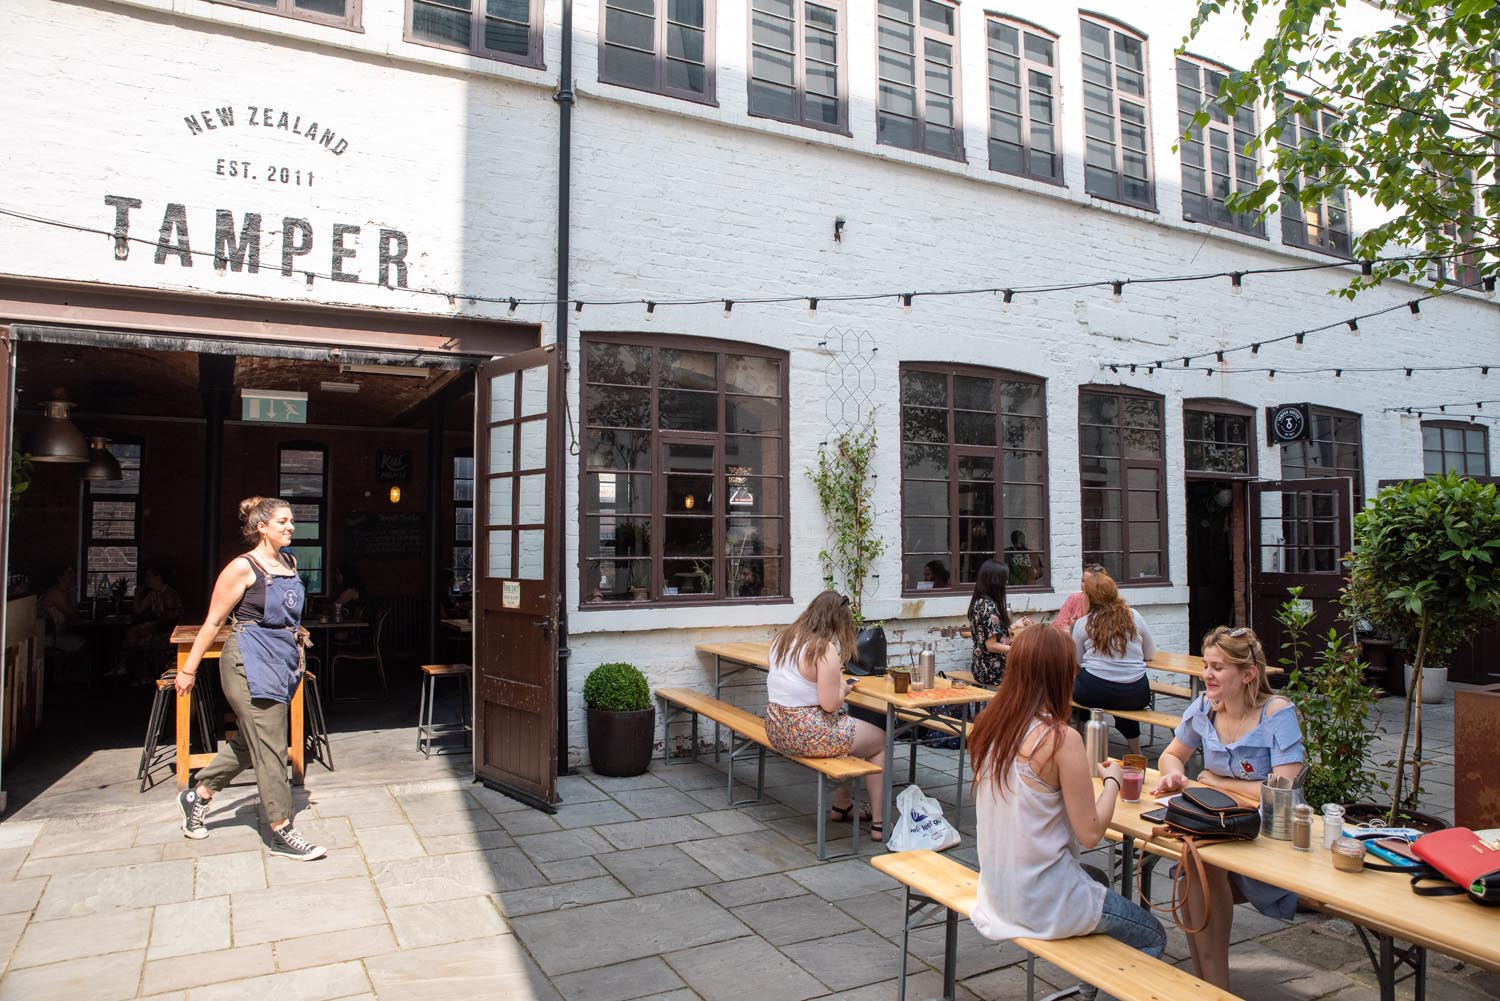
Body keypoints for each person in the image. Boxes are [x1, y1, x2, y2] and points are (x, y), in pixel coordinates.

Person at [968, 627, 1166, 999]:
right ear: (1060, 675)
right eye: (1073, 669)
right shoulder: (1060, 738)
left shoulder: (990, 726)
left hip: (997, 890)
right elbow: (1090, 833)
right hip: (1039, 901)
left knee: (1097, 878)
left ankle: (1092, 987)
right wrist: (1113, 781)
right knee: (1151, 935)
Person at [174, 496, 326, 861]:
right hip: (248, 662)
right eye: (283, 522)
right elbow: (213, 622)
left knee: (251, 740)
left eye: (291, 521)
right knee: (271, 744)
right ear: (262, 527)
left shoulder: (288, 562)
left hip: (282, 661)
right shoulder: (242, 568)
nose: (291, 527)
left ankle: (199, 794)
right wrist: (189, 669)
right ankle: (280, 828)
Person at [1151, 626, 1303, 989]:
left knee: (1197, 869)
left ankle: (1212, 987)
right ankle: (1211, 986)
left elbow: (1282, 788)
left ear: (1248, 674)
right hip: (1221, 825)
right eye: (1206, 665)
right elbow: (1171, 755)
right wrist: (1174, 775)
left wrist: (1216, 783)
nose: (1207, 674)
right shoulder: (1205, 707)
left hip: (1270, 835)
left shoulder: (1277, 713)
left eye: (1218, 667)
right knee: (1194, 869)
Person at [764, 590, 886, 840]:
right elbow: (829, 705)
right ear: (835, 622)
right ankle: (879, 824)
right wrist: (844, 689)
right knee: (879, 740)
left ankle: (843, 805)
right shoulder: (823, 648)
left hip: (776, 729)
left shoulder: (781, 639)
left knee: (848, 731)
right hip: (807, 734)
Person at [1071, 573, 1155, 758]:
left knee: (1081, 686)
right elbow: (1150, 653)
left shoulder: (1083, 623)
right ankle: (1136, 751)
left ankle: (1081, 740)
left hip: (1093, 692)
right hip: (1135, 694)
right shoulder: (1134, 616)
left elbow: (1077, 661)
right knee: (1121, 695)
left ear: (1089, 597)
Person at [967, 559, 1013, 687]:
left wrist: (1015, 626)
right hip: (994, 671)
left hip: (980, 668)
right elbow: (991, 645)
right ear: (996, 581)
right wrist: (1018, 649)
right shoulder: (989, 607)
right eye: (1004, 579)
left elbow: (988, 631)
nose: (1006, 583)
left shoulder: (979, 602)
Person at [1052, 563, 1105, 635]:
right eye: (1083, 580)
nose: (1083, 584)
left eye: (1089, 582)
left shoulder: (1106, 603)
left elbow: (1101, 632)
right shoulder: (1074, 598)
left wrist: (1075, 627)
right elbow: (1057, 626)